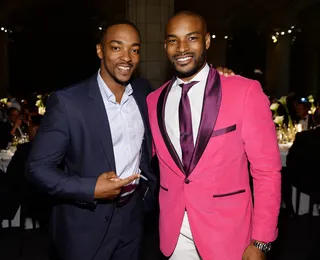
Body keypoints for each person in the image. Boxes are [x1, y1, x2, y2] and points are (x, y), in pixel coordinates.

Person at [146, 11, 281, 260]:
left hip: (228, 235)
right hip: (173, 234)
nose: (182, 48)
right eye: (173, 40)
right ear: (165, 46)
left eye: (192, 38)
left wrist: (261, 241)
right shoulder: (153, 101)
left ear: (207, 41)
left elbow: (267, 172)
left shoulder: (245, 91)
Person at [26, 20, 157, 260]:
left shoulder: (143, 91)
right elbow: (37, 168)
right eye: (116, 47)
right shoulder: (68, 102)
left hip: (133, 217)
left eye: (134, 49)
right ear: (100, 50)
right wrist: (91, 189)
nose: (127, 57)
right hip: (85, 224)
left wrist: (217, 78)